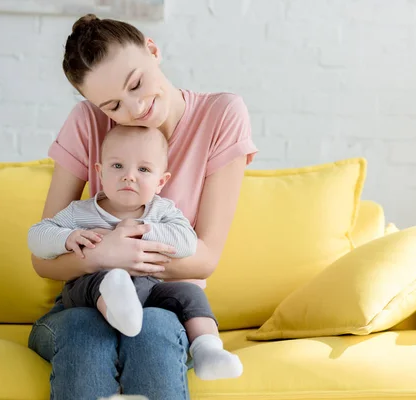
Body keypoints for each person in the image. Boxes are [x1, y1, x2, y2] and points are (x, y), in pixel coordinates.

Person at [27, 13, 258, 400]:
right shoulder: (87, 122)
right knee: (85, 334)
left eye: (136, 84)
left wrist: (126, 254)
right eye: (112, 105)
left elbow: (205, 258)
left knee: (154, 331)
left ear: (153, 50)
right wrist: (103, 256)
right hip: (86, 299)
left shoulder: (221, 115)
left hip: (168, 303)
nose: (134, 109)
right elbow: (42, 259)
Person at [28, 125, 243, 380]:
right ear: (100, 172)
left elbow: (187, 242)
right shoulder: (80, 213)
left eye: (143, 169)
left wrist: (138, 230)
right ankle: (118, 314)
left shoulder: (162, 211)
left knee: (189, 292)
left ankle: (207, 350)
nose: (129, 176)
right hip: (90, 291)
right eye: (117, 166)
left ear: (161, 181)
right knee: (100, 279)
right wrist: (67, 238)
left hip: (149, 291)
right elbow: (37, 236)